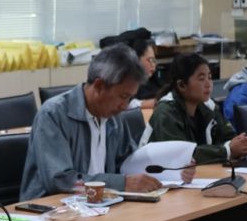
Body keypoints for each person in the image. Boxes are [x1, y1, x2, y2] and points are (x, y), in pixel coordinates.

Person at [20, 45, 163, 201]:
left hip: (101, 203)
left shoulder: (113, 116)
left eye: (130, 98)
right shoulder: (53, 114)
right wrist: (122, 183)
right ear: (99, 86)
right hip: (53, 208)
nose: (125, 106)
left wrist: (169, 169)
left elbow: (129, 161)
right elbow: (60, 181)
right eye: (123, 96)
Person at [144, 53, 247, 163]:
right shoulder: (166, 113)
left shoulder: (209, 106)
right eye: (201, 79)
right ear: (182, 85)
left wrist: (242, 145)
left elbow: (228, 137)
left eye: (210, 77)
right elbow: (181, 155)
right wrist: (227, 150)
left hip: (196, 171)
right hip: (153, 172)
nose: (208, 84)